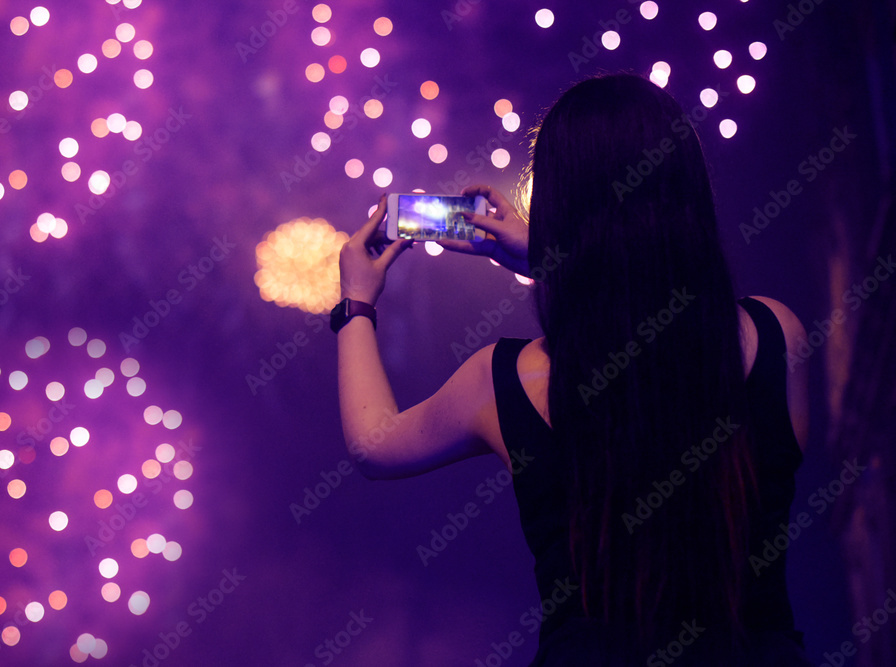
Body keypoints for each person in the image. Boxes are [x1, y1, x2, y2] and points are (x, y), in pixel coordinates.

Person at [333, 73, 812, 666]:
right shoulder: (775, 335)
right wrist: (557, 258)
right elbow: (656, 339)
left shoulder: (507, 380)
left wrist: (356, 303)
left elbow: (374, 446)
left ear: (557, 207)